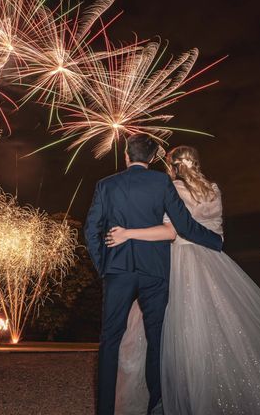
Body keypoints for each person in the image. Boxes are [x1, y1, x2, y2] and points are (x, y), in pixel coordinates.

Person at [108, 145, 260, 414]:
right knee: (220, 328)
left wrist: (128, 233)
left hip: (180, 260)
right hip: (213, 261)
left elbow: (170, 232)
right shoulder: (213, 190)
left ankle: (175, 396)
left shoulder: (175, 190)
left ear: (173, 166)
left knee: (167, 331)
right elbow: (217, 232)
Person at [84, 135, 223, 415]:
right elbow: (183, 224)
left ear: (126, 155)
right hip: (155, 271)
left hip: (118, 270)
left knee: (110, 339)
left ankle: (105, 410)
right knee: (157, 338)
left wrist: (104, 267)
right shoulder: (162, 183)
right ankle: (156, 406)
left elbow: (91, 230)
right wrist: (215, 241)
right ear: (150, 158)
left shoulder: (106, 185)